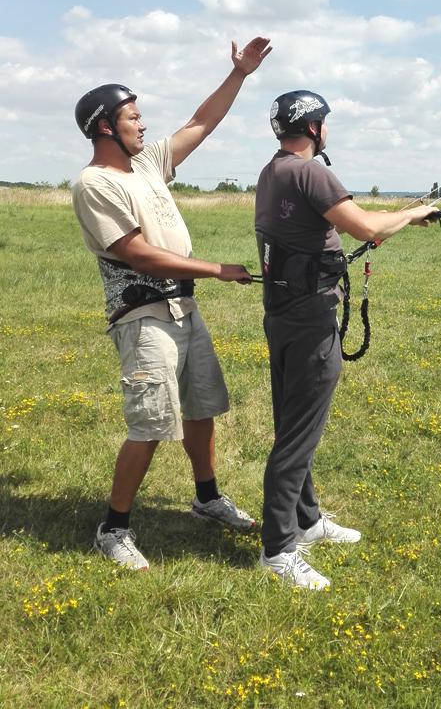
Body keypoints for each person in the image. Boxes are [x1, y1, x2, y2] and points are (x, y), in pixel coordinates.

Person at [72, 37, 272, 570]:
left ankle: (207, 498)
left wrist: (240, 74)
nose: (143, 125)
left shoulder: (146, 165)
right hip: (144, 317)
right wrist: (217, 269)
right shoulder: (94, 184)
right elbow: (136, 253)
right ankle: (114, 528)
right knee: (151, 423)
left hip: (184, 310)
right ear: (105, 126)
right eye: (133, 117)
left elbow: (200, 123)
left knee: (201, 409)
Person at [255, 89, 438, 589]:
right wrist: (413, 214)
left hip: (283, 315)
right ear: (314, 127)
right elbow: (365, 229)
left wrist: (400, 215)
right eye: (325, 122)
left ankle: (307, 520)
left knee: (293, 421)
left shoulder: (272, 171)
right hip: (310, 319)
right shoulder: (311, 172)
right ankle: (278, 548)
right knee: (298, 434)